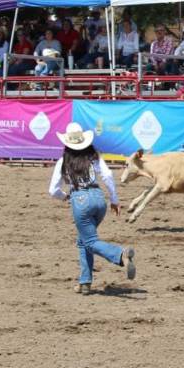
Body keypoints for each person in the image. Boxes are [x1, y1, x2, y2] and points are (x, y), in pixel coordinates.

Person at [48, 122, 136, 293]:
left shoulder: (63, 161)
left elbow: (53, 190)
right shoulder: (94, 157)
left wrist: (65, 197)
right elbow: (108, 175)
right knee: (84, 241)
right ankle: (85, 283)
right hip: (99, 199)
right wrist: (114, 200)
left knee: (90, 241)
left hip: (80, 200)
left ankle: (120, 255)